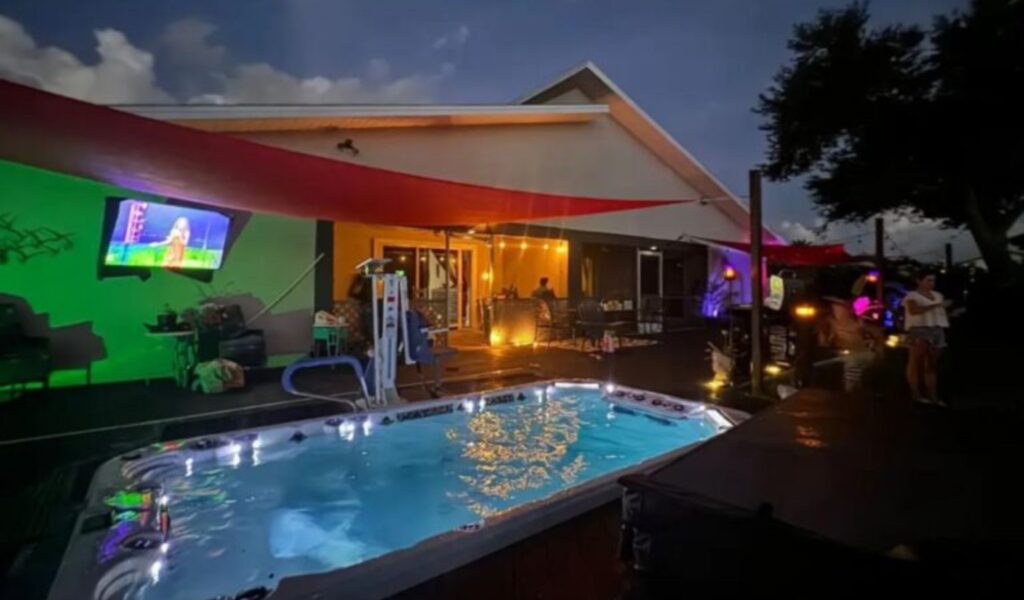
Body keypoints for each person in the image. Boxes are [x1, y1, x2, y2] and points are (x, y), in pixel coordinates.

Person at [902, 271, 951, 406]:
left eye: (933, 280)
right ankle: (916, 395)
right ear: (919, 281)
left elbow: (939, 312)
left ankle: (933, 397)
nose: (931, 283)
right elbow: (914, 310)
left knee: (931, 364)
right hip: (919, 329)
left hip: (937, 329)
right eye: (928, 280)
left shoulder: (938, 295)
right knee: (916, 361)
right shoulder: (911, 296)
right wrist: (936, 305)